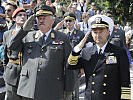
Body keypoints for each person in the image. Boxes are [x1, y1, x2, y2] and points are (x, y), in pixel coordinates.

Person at [8, 4, 74, 100]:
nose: (41, 20)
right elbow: (12, 46)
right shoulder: (28, 36)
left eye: (44, 18)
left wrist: (69, 90)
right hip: (29, 88)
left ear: (53, 20)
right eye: (39, 18)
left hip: (51, 89)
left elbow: (69, 65)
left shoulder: (62, 38)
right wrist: (23, 30)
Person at [67, 15, 131, 100]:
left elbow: (125, 79)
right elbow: (70, 65)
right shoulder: (86, 52)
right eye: (95, 32)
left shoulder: (119, 52)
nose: (98, 35)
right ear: (91, 34)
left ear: (108, 32)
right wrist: (78, 47)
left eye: (101, 31)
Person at [3, 7, 27, 100]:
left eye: (25, 15)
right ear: (14, 18)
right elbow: (5, 55)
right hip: (12, 72)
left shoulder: (32, 33)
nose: (23, 17)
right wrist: (7, 70)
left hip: (27, 73)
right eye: (20, 15)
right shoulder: (8, 34)